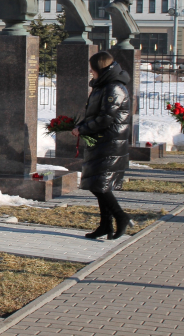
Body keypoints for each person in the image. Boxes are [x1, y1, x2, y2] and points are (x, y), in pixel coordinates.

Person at [71, 51, 132, 239]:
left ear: (100, 69)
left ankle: (120, 217)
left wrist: (83, 129)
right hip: (102, 141)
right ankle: (106, 225)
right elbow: (95, 113)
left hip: (110, 142)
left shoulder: (114, 88)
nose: (91, 73)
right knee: (99, 184)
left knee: (100, 185)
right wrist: (81, 125)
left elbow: (106, 118)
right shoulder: (103, 85)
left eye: (93, 70)